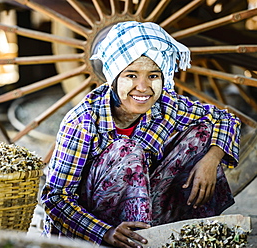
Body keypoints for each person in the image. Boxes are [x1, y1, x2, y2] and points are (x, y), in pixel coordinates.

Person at [41, 21, 241, 248]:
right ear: (114, 77)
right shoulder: (82, 122)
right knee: (127, 148)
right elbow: (56, 199)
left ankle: (175, 234)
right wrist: (105, 232)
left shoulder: (165, 104)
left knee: (203, 134)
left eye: (153, 76)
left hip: (142, 215)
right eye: (132, 75)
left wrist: (211, 159)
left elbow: (224, 119)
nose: (143, 87)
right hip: (93, 231)